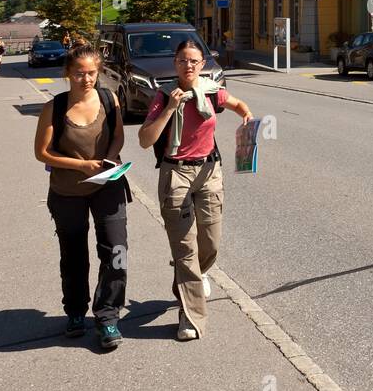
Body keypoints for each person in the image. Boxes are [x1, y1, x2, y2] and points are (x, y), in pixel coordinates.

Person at [138, 39, 252, 341]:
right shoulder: (164, 95)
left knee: (210, 242)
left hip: (209, 171)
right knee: (185, 249)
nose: (188, 65)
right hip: (176, 173)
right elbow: (145, 140)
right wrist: (170, 108)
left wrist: (246, 117)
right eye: (182, 60)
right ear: (175, 63)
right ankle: (190, 318)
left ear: (202, 64)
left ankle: (194, 276)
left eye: (193, 61)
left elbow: (237, 104)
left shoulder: (213, 92)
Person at [34, 43, 128, 349]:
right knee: (73, 254)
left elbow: (118, 135)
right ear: (67, 73)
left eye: (91, 73)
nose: (86, 79)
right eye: (79, 73)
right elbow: (42, 152)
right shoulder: (55, 107)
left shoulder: (108, 99)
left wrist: (110, 158)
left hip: (107, 186)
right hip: (67, 191)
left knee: (116, 251)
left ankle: (108, 316)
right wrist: (82, 165)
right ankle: (75, 312)